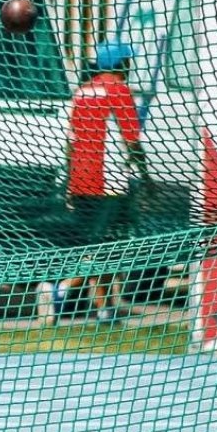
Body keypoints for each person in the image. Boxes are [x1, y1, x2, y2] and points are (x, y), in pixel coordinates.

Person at [43, 41, 148, 325]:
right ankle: (62, 287)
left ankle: (105, 310)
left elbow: (70, 141)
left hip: (80, 180)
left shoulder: (81, 93)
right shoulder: (119, 91)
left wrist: (68, 181)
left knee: (98, 244)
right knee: (109, 247)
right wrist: (146, 177)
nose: (130, 66)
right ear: (121, 64)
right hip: (110, 182)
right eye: (127, 61)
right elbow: (132, 140)